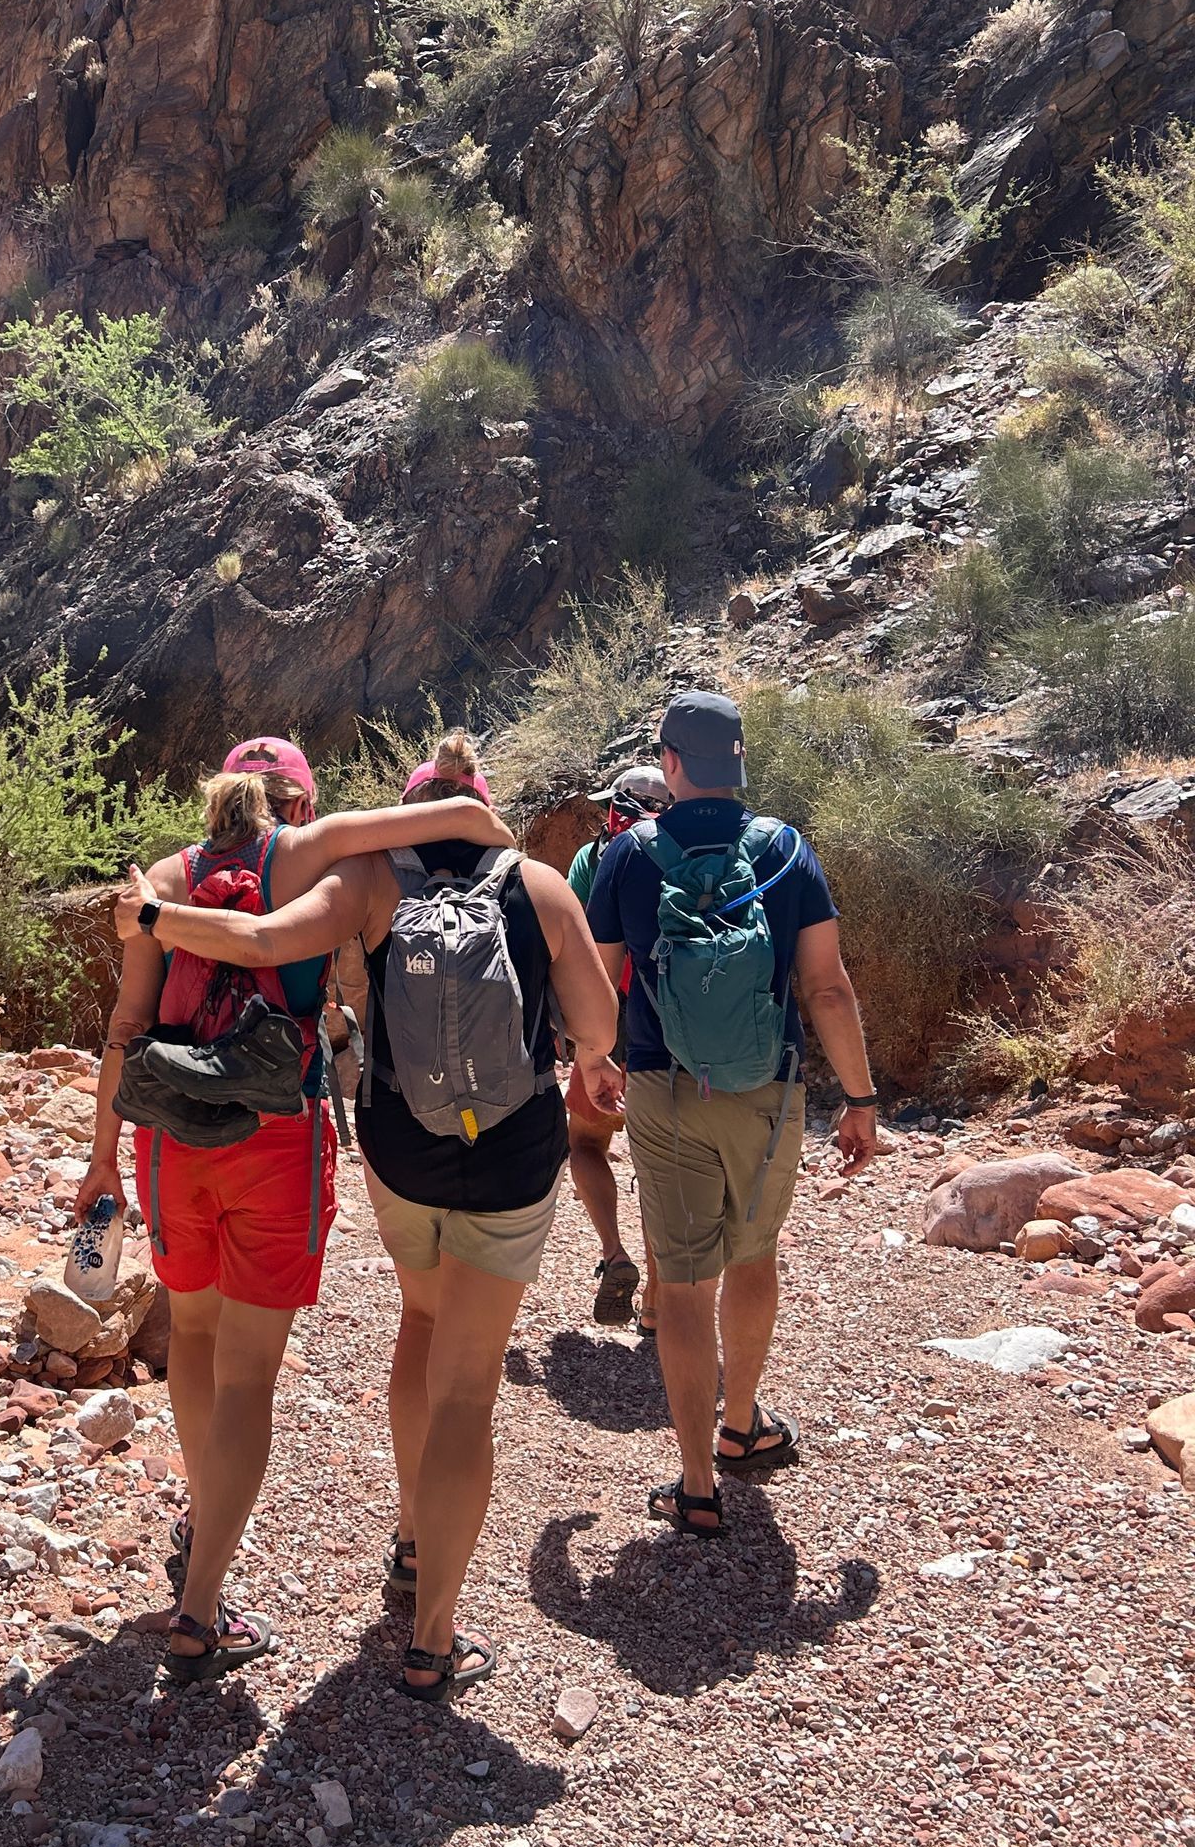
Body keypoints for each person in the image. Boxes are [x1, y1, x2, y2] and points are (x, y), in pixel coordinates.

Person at [113, 734, 621, 1701]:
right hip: (499, 1155)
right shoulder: (534, 884)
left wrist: (156, 920)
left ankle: (308, 1535)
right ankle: (430, 1627)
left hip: (381, 1152)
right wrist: (585, 1057)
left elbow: (226, 970)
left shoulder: (364, 884)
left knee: (400, 1324)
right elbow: (598, 1032)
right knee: (467, 1387)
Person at [585, 690, 880, 1540]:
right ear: (740, 757)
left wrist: (594, 1062)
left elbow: (600, 983)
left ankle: (695, 1481)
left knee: (681, 1282)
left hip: (663, 1087)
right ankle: (742, 1422)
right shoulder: (785, 849)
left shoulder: (632, 854)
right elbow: (825, 986)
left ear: (668, 762)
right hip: (766, 1089)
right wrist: (859, 1101)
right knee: (753, 1256)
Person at [562, 764, 670, 1329]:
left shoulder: (594, 857)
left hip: (609, 1025)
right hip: (669, 1031)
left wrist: (577, 1032)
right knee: (657, 1165)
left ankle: (613, 1251)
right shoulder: (690, 853)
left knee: (584, 1143)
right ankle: (655, 1301)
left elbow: (576, 945)